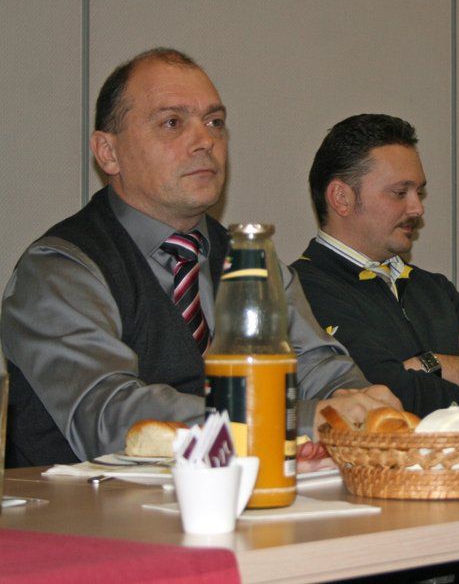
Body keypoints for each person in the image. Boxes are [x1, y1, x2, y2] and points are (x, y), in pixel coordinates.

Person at [0, 48, 399, 468]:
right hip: (90, 508)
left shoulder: (251, 262)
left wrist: (358, 403)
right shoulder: (58, 269)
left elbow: (316, 366)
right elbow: (108, 416)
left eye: (215, 123)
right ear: (108, 153)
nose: (205, 141)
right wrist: (293, 421)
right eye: (172, 122)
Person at [292, 114, 459, 417]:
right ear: (341, 198)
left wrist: (430, 363)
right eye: (400, 193)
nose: (417, 208)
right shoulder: (301, 291)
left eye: (419, 192)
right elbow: (387, 397)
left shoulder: (433, 288)